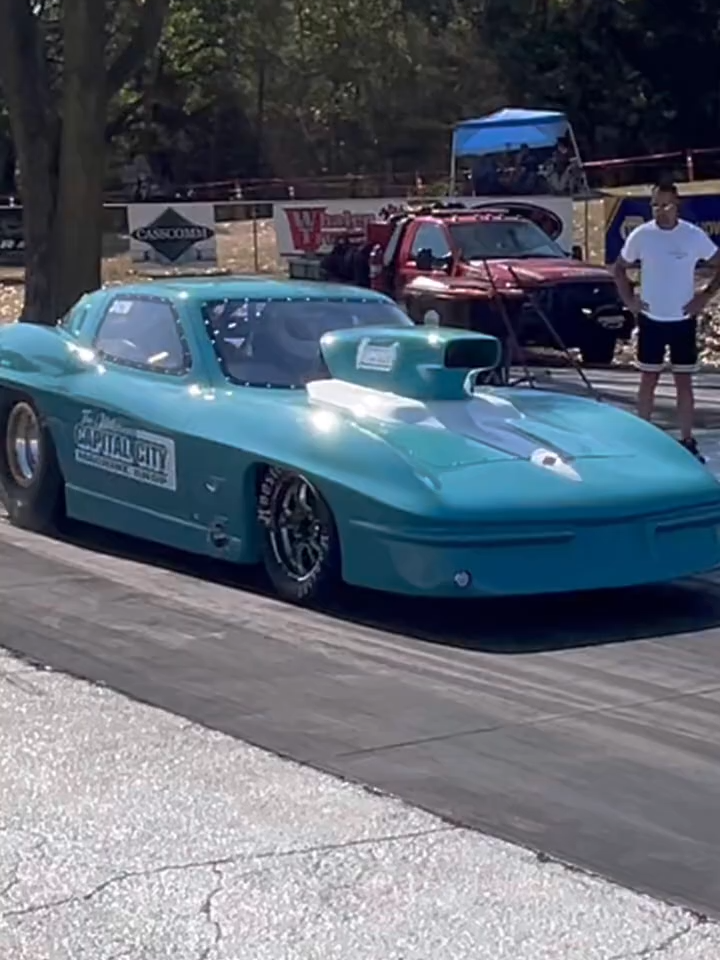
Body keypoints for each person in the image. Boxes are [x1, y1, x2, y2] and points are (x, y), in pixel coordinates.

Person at [613, 180, 720, 461]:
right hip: (651, 317)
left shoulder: (692, 235)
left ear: (677, 205)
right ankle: (644, 438)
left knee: (683, 380)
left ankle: (687, 439)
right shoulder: (642, 235)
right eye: (655, 205)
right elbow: (620, 268)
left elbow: (717, 262)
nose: (659, 211)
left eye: (665, 204)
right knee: (648, 378)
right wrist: (630, 301)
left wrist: (704, 296)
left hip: (682, 318)